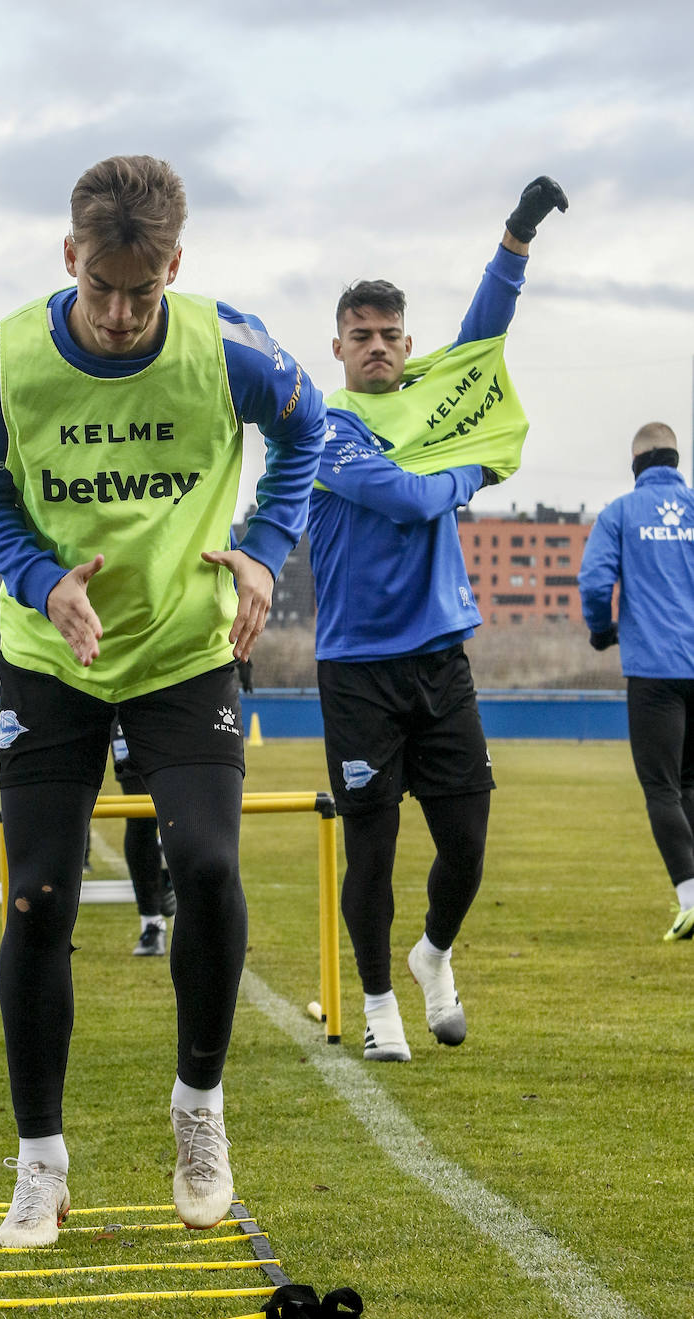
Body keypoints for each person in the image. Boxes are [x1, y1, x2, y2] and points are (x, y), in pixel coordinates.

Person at [0, 154, 324, 1245]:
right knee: (40, 899)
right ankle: (39, 1160)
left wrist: (262, 550)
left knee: (206, 864)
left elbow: (306, 435)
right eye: (101, 288)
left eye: (142, 292)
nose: (118, 315)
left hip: (182, 644)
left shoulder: (230, 348)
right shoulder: (4, 363)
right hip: (51, 651)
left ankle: (198, 1112)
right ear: (68, 258)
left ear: (175, 267)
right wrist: (39, 580)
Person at [307, 177, 568, 1062]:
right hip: (356, 669)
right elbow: (410, 499)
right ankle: (380, 1009)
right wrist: (475, 475)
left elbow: (484, 340)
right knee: (371, 856)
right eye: (360, 336)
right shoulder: (324, 424)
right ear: (336, 347)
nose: (376, 347)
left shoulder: (431, 398)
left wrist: (517, 236)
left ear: (406, 343)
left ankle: (433, 955)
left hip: (440, 659)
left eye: (389, 336)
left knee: (466, 850)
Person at [579, 422, 694, 943]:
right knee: (690, 784)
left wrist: (603, 632)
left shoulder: (621, 513)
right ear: (675, 459)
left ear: (636, 466)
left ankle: (690, 899)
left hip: (655, 671)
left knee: (662, 789)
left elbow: (595, 579)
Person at [109, 716, 177, 957]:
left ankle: (166, 859)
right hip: (124, 702)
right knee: (141, 815)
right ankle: (152, 923)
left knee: (187, 809)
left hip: (178, 700)